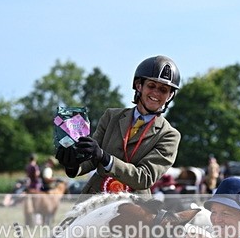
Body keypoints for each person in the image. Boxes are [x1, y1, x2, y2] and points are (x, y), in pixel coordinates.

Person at [56, 55, 181, 195]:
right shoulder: (111, 116)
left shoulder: (169, 135)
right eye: (151, 86)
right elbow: (91, 160)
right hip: (96, 195)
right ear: (139, 86)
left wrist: (105, 158)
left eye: (163, 90)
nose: (156, 93)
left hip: (135, 202)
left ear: (170, 96)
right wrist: (73, 165)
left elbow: (144, 177)